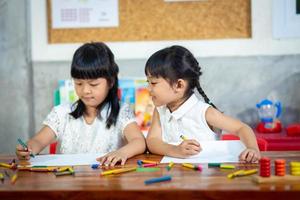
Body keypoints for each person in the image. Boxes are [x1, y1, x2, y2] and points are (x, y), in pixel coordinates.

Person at [16, 42, 146, 166]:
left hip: (107, 183)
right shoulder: (62, 113)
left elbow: (139, 142)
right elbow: (38, 141)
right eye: (78, 83)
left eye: (93, 84)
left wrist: (121, 153)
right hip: (68, 183)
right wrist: (28, 148)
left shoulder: (121, 112)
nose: (85, 91)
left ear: (111, 82)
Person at [145, 45, 260, 163]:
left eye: (153, 83)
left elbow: (241, 128)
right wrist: (175, 150)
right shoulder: (160, 110)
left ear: (179, 85)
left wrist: (252, 148)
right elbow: (152, 141)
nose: (148, 88)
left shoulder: (204, 112)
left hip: (206, 176)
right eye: (147, 82)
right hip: (173, 176)